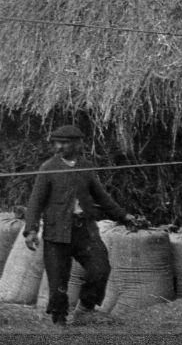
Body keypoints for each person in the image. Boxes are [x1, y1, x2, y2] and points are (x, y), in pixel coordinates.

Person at [22, 125, 131, 327]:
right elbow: (36, 201)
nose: (60, 147)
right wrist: (31, 230)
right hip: (57, 231)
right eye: (57, 143)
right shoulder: (48, 168)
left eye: (65, 143)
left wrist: (124, 217)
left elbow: (102, 197)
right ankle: (60, 319)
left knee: (100, 268)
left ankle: (86, 308)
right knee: (58, 278)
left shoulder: (86, 168)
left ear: (78, 144)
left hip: (85, 230)